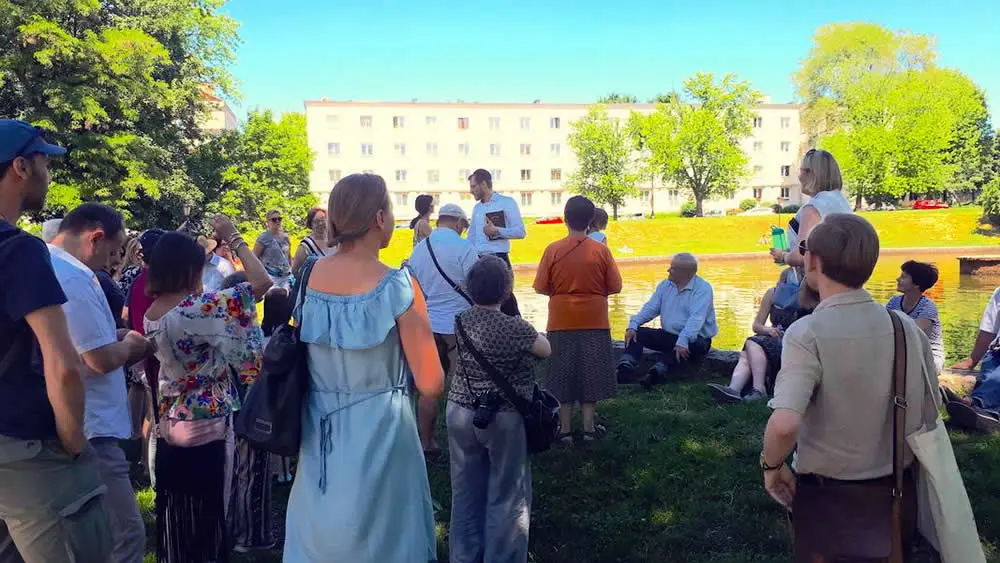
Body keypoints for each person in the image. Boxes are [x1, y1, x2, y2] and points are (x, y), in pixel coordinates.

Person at [283, 173, 443, 563]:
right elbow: (432, 383)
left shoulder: (307, 278)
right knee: (386, 537)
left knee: (321, 527)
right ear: (378, 218)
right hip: (383, 429)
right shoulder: (399, 287)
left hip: (320, 427)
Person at [761, 214, 938, 561]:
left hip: (828, 498)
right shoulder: (905, 327)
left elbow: (784, 424)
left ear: (812, 261)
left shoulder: (807, 332)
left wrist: (772, 467)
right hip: (897, 493)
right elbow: (929, 408)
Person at [0, 119, 113, 562]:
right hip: (30, 451)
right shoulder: (19, 249)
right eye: (44, 161)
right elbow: (63, 365)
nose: (49, 174)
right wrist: (73, 444)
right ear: (21, 167)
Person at [144, 218, 272, 563]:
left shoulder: (153, 312)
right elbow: (261, 283)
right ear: (188, 269)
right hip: (208, 421)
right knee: (211, 511)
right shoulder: (193, 310)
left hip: (172, 418)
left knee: (182, 512)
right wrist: (234, 236)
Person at [48, 203, 156, 563]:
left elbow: (80, 343)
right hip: (92, 428)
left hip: (76, 423)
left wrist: (115, 334)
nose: (113, 263)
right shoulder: (75, 278)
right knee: (125, 535)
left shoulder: (52, 265)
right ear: (95, 238)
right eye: (112, 251)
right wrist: (131, 344)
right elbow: (98, 360)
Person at [449, 254, 551, 563]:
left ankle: (465, 556)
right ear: (507, 291)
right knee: (508, 493)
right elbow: (545, 349)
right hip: (504, 417)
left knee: (465, 491)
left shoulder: (461, 320)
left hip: (460, 410)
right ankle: (502, 557)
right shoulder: (516, 329)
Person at [534, 196, 622, 442]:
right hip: (595, 319)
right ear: (591, 220)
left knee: (561, 373)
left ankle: (564, 430)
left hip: (561, 319)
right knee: (591, 371)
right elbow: (615, 286)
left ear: (565, 218)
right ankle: (589, 427)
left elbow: (541, 287)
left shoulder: (552, 249)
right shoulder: (601, 250)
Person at [406, 202, 478, 454]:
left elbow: (412, 286)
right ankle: (463, 443)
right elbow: (475, 285)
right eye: (464, 226)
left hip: (428, 325)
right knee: (463, 387)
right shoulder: (465, 247)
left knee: (428, 388)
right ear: (459, 223)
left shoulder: (419, 249)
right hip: (458, 327)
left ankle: (426, 442)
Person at [708, 268, 817, 404]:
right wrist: (768, 330)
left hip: (794, 340)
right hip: (773, 336)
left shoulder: (811, 299)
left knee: (751, 344)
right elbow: (757, 325)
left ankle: (755, 389)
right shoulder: (772, 293)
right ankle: (735, 390)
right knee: (749, 350)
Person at [617, 253, 718, 390]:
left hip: (695, 338)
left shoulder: (703, 289)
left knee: (692, 345)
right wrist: (634, 324)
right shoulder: (665, 285)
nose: (668, 271)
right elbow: (651, 308)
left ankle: (656, 373)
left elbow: (696, 318)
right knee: (638, 333)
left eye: (673, 268)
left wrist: (683, 339)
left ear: (685, 272)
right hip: (669, 335)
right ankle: (625, 368)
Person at [769, 148, 852, 269]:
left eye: (801, 171)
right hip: (841, 279)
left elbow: (801, 256)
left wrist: (782, 256)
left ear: (811, 174)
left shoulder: (813, 209)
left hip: (817, 283)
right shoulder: (841, 201)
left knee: (776, 287)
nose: (799, 176)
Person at [467, 169, 526, 317]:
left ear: (484, 184)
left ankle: (517, 332)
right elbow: (471, 237)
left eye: (474, 186)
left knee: (506, 300)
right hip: (479, 260)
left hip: (499, 258)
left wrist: (497, 231)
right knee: (481, 303)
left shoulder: (506, 203)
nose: (471, 191)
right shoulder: (477, 208)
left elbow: (520, 231)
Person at [947, 287, 1000, 431]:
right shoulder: (999, 292)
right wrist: (972, 361)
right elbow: (988, 331)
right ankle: (990, 418)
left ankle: (974, 403)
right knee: (991, 378)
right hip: (996, 354)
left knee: (996, 380)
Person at [887, 260, 944, 374]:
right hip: (903, 354)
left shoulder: (928, 307)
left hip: (928, 357)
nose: (898, 279)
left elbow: (911, 332)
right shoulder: (894, 301)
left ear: (916, 284)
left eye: (903, 277)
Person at [254, 209, 292, 291]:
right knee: (273, 300)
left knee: (287, 300)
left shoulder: (285, 237)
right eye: (274, 220)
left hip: (286, 276)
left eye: (279, 219)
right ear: (268, 222)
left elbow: (288, 257)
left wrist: (292, 272)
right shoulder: (263, 238)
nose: (277, 221)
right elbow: (254, 258)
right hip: (271, 277)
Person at [292, 206, 334, 276]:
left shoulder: (334, 240)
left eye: (323, 220)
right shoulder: (305, 246)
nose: (320, 223)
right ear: (310, 224)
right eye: (316, 221)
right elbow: (295, 270)